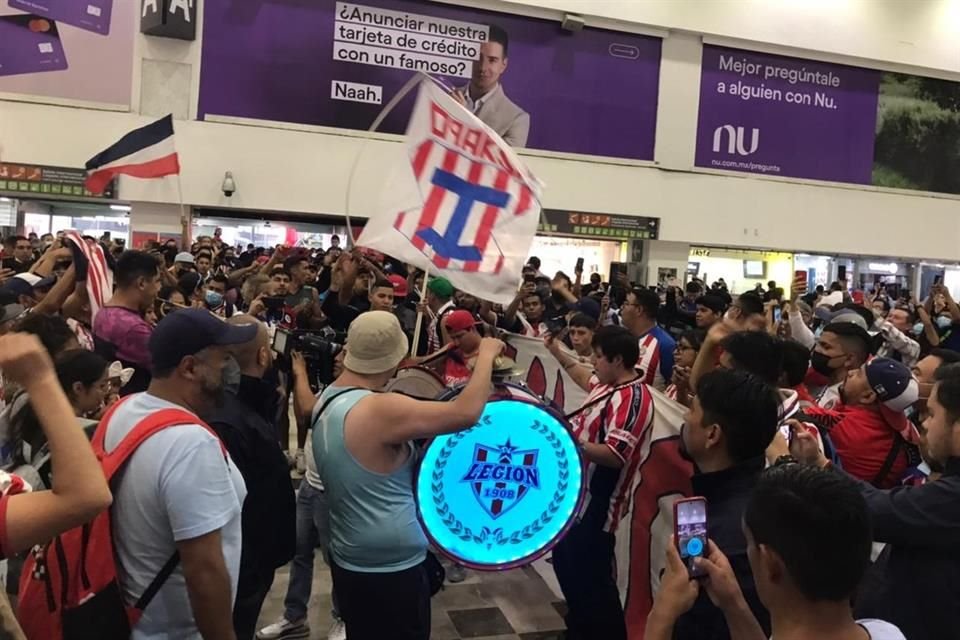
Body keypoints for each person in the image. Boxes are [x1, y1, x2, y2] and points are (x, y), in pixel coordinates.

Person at [311, 311, 504, 640]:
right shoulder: (378, 408)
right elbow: (466, 413)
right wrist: (485, 355)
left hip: (350, 557)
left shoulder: (328, 396)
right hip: (391, 569)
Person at [101, 309, 252, 638]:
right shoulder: (191, 445)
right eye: (224, 358)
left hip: (131, 618)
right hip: (176, 631)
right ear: (189, 367)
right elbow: (204, 570)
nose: (230, 369)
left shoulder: (124, 410)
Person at [647, 464, 905, 640]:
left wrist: (661, 615)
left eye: (750, 544)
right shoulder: (886, 632)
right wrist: (733, 603)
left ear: (770, 564)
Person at [545, 325, 655, 640]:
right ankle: (579, 628)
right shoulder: (608, 385)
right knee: (567, 567)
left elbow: (615, 454)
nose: (592, 361)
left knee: (591, 579)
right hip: (578, 498)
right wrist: (555, 350)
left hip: (599, 506)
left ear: (618, 360)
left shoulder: (633, 398)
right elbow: (583, 376)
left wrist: (568, 441)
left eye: (598, 356)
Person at [201, 317, 295, 640]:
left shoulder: (237, 406)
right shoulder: (231, 422)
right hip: (244, 566)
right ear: (264, 357)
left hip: (249, 560)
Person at [670, 368, 778, 640]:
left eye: (692, 410)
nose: (684, 417)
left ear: (712, 435)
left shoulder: (723, 545)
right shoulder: (764, 497)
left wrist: (661, 616)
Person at [0, 333, 111, 557]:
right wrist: (40, 379)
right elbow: (87, 499)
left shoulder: (23, 402)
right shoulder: (89, 431)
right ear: (79, 388)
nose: (106, 392)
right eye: (102, 385)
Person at [799, 357, 919, 488]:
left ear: (868, 397)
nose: (850, 372)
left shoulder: (846, 424)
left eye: (859, 374)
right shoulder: (909, 430)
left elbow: (793, 412)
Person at [93, 251, 161, 395]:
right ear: (142, 283)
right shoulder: (134, 328)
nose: (158, 289)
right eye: (157, 282)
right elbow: (167, 369)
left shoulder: (103, 312)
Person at [452, 25, 529, 147]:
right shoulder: (446, 98)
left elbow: (499, 164)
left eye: (492, 60)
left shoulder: (517, 119)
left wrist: (464, 119)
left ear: (503, 65)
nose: (482, 67)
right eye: (476, 57)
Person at [620, 287, 675, 391]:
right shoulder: (622, 338)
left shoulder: (664, 345)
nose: (622, 307)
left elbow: (673, 386)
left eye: (626, 303)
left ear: (639, 310)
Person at [666, 328, 705, 404]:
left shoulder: (702, 389)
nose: (675, 353)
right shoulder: (678, 377)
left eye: (682, 348)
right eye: (677, 348)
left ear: (699, 352)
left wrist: (681, 389)